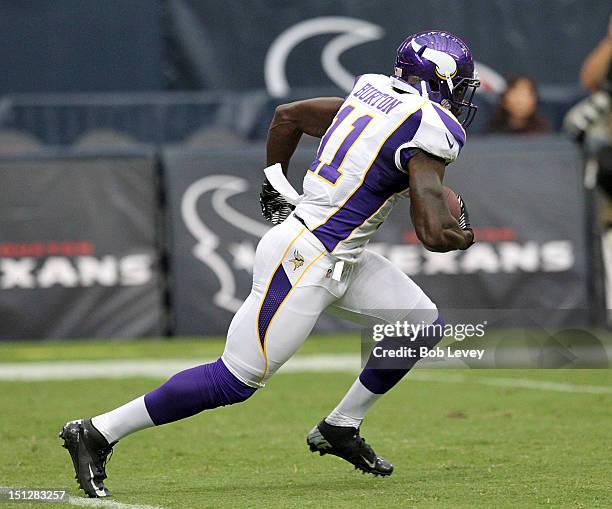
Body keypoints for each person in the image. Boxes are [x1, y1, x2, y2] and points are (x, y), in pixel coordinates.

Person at [59, 30, 478, 498]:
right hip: (306, 258)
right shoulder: (429, 127)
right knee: (234, 380)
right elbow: (430, 234)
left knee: (418, 323)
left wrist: (274, 181)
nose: (462, 96)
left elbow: (287, 117)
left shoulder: (372, 93)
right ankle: (95, 432)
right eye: (460, 85)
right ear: (438, 81)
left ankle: (341, 425)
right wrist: (462, 233)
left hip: (337, 253)